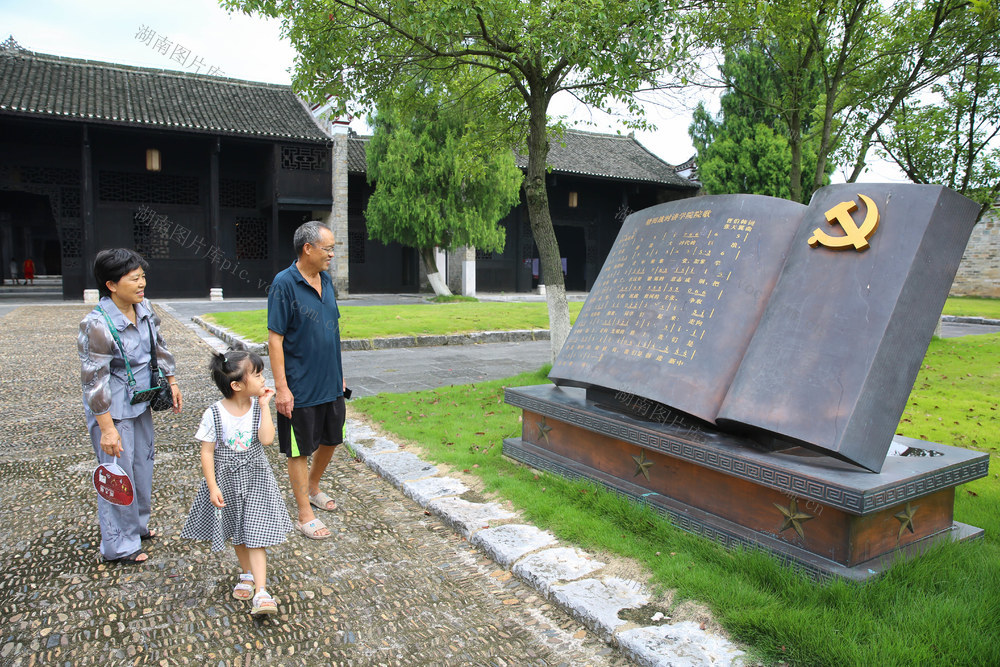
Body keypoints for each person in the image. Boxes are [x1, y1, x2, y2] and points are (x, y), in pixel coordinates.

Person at [78, 248, 182, 564]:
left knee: (141, 466)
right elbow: (94, 382)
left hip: (141, 401)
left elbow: (159, 346)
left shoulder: (143, 307)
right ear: (111, 285)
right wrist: (107, 429)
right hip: (112, 410)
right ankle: (119, 545)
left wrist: (172, 381)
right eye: (134, 279)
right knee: (116, 476)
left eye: (142, 277)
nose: (142, 284)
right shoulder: (96, 325)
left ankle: (137, 527)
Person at [181, 348, 292, 616]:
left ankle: (262, 592)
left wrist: (265, 406)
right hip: (227, 481)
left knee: (255, 533)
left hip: (256, 480)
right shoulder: (214, 413)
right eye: (257, 375)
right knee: (237, 530)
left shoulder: (257, 407)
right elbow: (207, 452)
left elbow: (267, 439)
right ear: (237, 385)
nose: (263, 379)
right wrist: (213, 487)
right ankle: (247, 574)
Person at [267, 221, 345, 540]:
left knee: (332, 438)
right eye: (328, 249)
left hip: (330, 380)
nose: (332, 254)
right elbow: (275, 340)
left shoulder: (325, 280)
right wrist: (282, 389)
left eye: (334, 249)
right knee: (298, 450)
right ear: (307, 248)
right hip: (299, 385)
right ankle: (304, 514)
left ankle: (313, 487)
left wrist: (340, 374)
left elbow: (332, 330)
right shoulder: (284, 284)